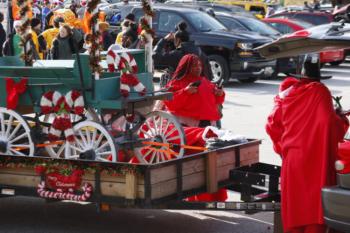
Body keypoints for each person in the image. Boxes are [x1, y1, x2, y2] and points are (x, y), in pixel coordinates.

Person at [266, 55, 349, 233]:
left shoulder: (287, 94)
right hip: (315, 157)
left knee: (295, 205)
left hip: (293, 159)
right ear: (318, 76)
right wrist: (341, 119)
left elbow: (272, 124)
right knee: (313, 207)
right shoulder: (320, 91)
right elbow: (327, 123)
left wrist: (281, 148)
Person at [163, 54, 224, 128]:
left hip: (208, 122)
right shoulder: (176, 83)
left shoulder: (206, 82)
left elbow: (217, 101)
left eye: (199, 65)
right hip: (185, 123)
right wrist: (185, 92)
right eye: (194, 66)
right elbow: (170, 102)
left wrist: (220, 93)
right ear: (186, 67)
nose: (198, 68)